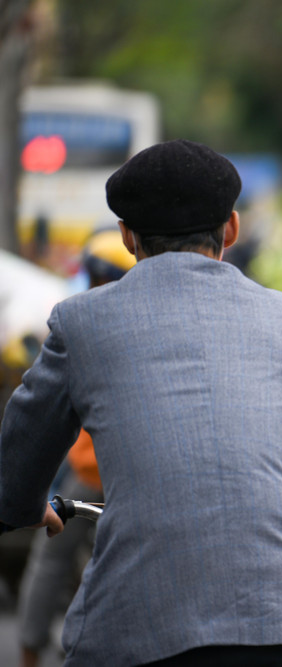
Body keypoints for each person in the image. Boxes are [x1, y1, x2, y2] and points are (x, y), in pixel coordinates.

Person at [0, 139, 282, 666]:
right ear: (232, 228)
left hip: (137, 638)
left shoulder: (79, 322)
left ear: (127, 236)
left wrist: (24, 508)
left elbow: (21, 451)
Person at [17, 229, 135, 667]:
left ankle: (30, 649)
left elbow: (36, 412)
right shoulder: (143, 324)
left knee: (50, 557)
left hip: (85, 468)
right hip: (129, 471)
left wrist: (20, 500)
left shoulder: (79, 320)